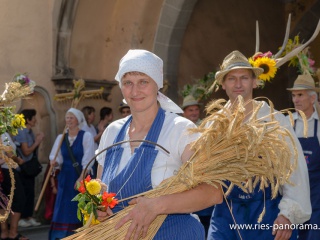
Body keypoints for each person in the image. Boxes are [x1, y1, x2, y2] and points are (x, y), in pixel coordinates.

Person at [96, 49, 223, 240]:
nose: (135, 90)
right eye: (128, 83)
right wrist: (99, 206)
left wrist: (158, 205)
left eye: (143, 82)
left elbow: (213, 192)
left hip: (173, 234)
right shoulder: (112, 132)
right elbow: (100, 189)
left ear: (158, 85)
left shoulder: (180, 129)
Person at [207, 50, 311, 240]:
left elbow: (295, 170)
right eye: (231, 78)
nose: (238, 84)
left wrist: (287, 215)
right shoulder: (213, 126)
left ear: (255, 82)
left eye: (244, 78)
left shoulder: (273, 121)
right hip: (224, 216)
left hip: (266, 215)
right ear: (223, 84)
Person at [48, 108, 95, 240]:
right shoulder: (61, 137)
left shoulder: (86, 136)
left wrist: (81, 178)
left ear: (78, 120)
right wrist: (54, 163)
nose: (68, 120)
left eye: (71, 117)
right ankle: (60, 236)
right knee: (62, 207)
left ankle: (78, 236)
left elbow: (89, 159)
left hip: (79, 176)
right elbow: (57, 158)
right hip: (65, 177)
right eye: (67, 117)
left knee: (77, 207)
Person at [287, 72, 320, 239]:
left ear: (312, 98)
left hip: (316, 195)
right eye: (293, 96)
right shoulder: (287, 122)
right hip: (291, 192)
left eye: (300, 95)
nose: (295, 100)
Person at [13, 109, 44, 228]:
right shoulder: (22, 132)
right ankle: (21, 218)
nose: (36, 120)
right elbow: (26, 151)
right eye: (34, 117)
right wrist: (37, 141)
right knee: (24, 193)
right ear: (28, 120)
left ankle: (28, 216)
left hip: (29, 168)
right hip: (23, 168)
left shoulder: (29, 131)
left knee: (30, 193)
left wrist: (36, 142)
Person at [0, 132, 29, 240]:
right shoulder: (3, 135)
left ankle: (4, 232)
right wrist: (19, 160)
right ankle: (13, 232)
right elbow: (10, 154)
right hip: (7, 171)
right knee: (19, 199)